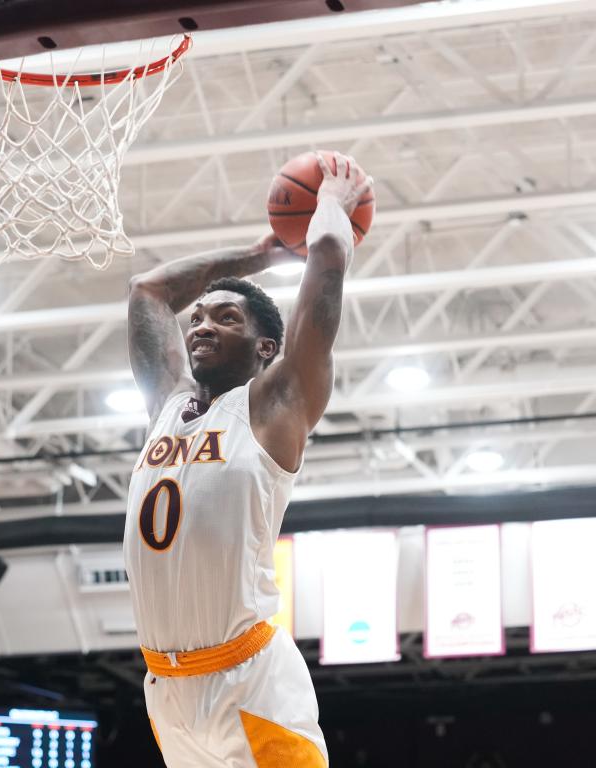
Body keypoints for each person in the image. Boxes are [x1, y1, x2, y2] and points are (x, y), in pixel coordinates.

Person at [122, 152, 372, 767]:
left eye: (224, 317)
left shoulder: (275, 403)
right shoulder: (168, 403)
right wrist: (259, 254)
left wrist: (331, 206)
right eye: (198, 317)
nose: (200, 324)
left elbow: (327, 275)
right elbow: (148, 290)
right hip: (168, 689)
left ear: (265, 347)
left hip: (250, 681)